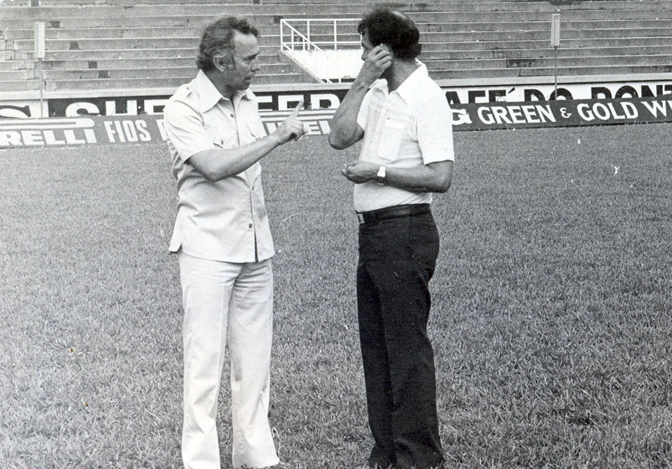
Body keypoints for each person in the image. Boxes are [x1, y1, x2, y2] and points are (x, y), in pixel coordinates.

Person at [162, 15, 305, 469]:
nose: (256, 67)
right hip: (206, 249)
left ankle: (257, 457)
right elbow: (214, 166)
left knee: (255, 365)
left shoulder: (246, 99)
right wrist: (277, 136)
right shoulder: (182, 107)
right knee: (204, 366)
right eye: (250, 59)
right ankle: (202, 462)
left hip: (255, 248)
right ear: (221, 60)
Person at [328, 7, 454, 469]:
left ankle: (419, 457)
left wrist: (377, 170)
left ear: (383, 49)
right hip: (375, 234)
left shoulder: (427, 97)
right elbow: (338, 137)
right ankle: (386, 452)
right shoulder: (378, 91)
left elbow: (441, 176)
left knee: (405, 347)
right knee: (377, 347)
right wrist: (361, 83)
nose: (361, 55)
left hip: (405, 230)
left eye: (364, 46)